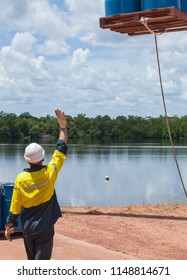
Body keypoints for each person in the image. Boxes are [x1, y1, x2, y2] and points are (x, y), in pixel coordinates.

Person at [5, 109, 68, 260]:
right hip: (45, 228)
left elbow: (15, 206)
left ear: (27, 160)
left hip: (27, 229)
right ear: (42, 158)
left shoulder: (21, 178)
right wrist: (63, 127)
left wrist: (10, 225)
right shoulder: (50, 172)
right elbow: (61, 149)